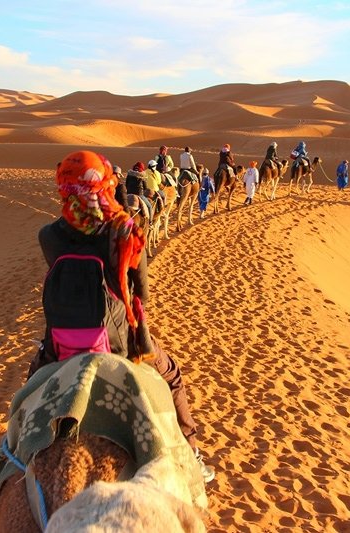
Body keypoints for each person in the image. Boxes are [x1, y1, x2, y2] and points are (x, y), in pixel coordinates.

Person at [30, 150, 214, 483]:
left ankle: (11, 456)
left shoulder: (48, 236)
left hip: (60, 345)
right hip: (120, 341)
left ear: (64, 185)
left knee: (30, 391)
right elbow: (141, 293)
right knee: (172, 377)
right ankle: (192, 456)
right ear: (104, 182)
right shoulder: (125, 229)